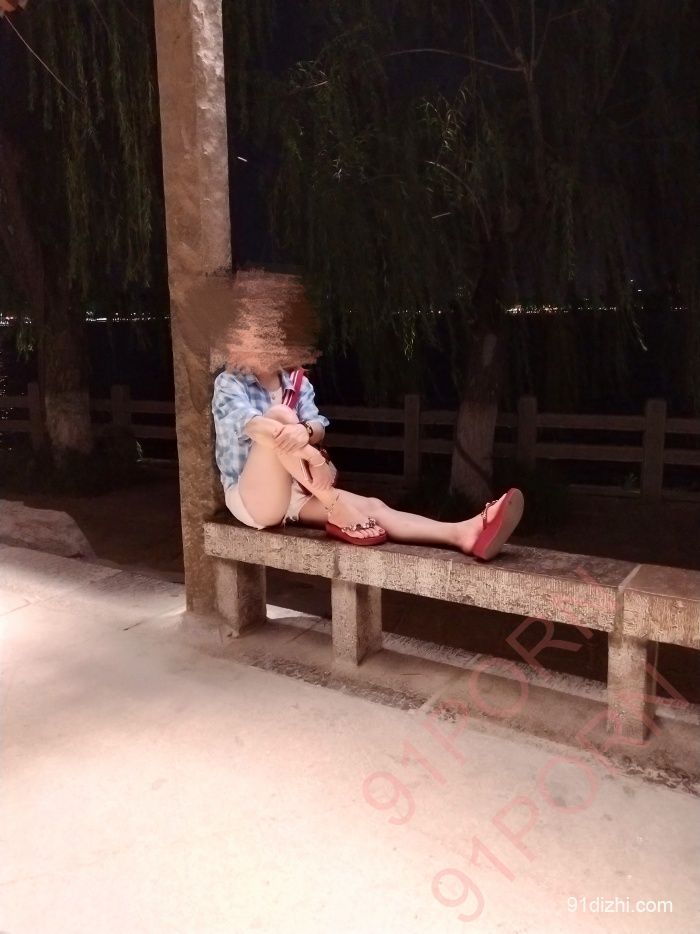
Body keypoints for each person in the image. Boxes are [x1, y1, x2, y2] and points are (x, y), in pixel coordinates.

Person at [212, 357, 525, 559]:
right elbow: (255, 426)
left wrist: (305, 431)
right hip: (253, 498)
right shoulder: (230, 382)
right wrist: (313, 458)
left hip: (296, 490)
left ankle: (463, 533)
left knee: (375, 507)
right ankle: (334, 505)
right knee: (279, 415)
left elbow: (318, 425)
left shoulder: (296, 381)